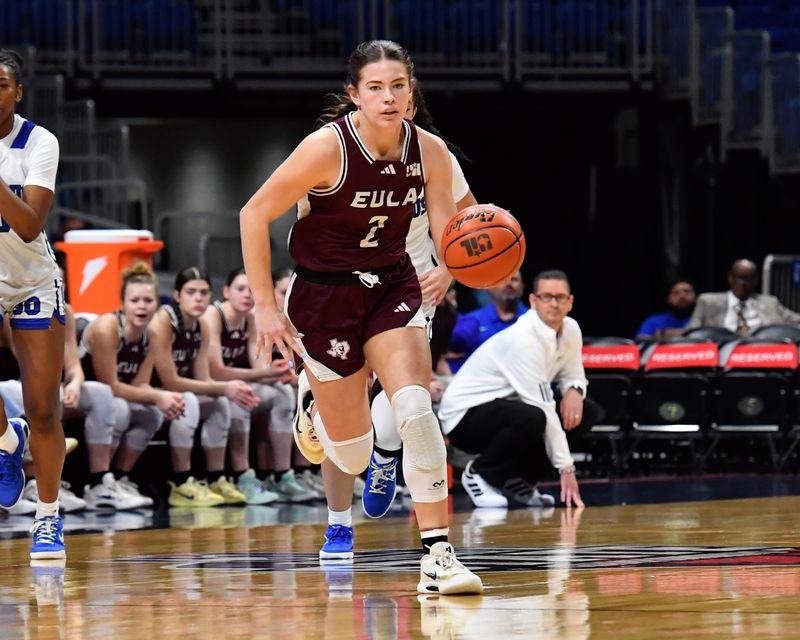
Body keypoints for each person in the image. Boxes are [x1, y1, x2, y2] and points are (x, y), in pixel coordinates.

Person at [240, 40, 482, 595]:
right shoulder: (327, 148)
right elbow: (253, 214)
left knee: (416, 408)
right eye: (375, 87)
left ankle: (438, 556)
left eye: (398, 86)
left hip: (391, 285)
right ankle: (313, 406)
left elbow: (449, 229)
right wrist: (266, 306)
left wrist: (456, 266)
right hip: (324, 297)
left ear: (411, 93)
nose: (388, 97)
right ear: (355, 94)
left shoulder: (429, 151)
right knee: (349, 453)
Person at [439, 270, 593, 509]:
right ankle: (479, 474)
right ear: (533, 300)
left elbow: (574, 373)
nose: (554, 303)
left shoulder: (571, 329)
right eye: (547, 296)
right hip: (463, 418)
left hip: (506, 408)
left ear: (570, 302)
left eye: (560, 297)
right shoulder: (524, 339)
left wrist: (574, 390)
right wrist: (566, 468)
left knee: (586, 410)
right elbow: (542, 406)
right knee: (534, 416)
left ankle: (520, 481)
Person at [0, 48, 67, 559]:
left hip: (31, 281)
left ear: (18, 92)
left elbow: (28, 225)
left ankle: (47, 517)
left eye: (2, 84)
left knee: (43, 409)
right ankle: (7, 441)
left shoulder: (39, 141)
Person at [148, 267, 259, 507]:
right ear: (177, 295)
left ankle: (216, 479)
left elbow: (204, 379)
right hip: (151, 394)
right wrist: (225, 387)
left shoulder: (202, 326)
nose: (198, 298)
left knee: (220, 403)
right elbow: (170, 381)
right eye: (191, 292)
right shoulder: (163, 321)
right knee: (189, 400)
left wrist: (228, 389)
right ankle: (181, 483)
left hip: (172, 395)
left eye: (204, 292)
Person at [79, 262, 186, 509]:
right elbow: (110, 385)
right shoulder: (108, 327)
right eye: (135, 300)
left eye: (148, 300)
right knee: (119, 408)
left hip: (109, 398)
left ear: (157, 304)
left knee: (151, 414)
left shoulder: (153, 335)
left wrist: (165, 398)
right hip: (80, 392)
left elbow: (140, 385)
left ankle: (119, 478)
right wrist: (158, 397)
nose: (141, 306)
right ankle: (97, 483)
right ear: (122, 304)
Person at [202, 267, 311, 503]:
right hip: (213, 386)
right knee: (244, 394)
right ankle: (243, 476)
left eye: (251, 290)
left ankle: (283, 475)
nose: (247, 295)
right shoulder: (213, 315)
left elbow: (260, 366)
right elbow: (216, 371)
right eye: (241, 289)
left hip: (238, 383)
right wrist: (263, 374)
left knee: (283, 392)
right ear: (226, 291)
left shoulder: (251, 318)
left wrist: (279, 373)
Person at [688, 259, 800, 337]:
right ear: (730, 278)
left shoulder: (770, 302)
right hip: (721, 353)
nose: (743, 283)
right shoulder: (708, 302)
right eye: (739, 277)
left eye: (748, 278)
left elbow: (794, 319)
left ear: (756, 280)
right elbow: (692, 332)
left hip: (762, 352)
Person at [446, 270, 527, 373]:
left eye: (514, 279)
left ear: (522, 286)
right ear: (489, 287)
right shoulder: (469, 321)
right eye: (502, 280)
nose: (508, 284)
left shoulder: (533, 320)